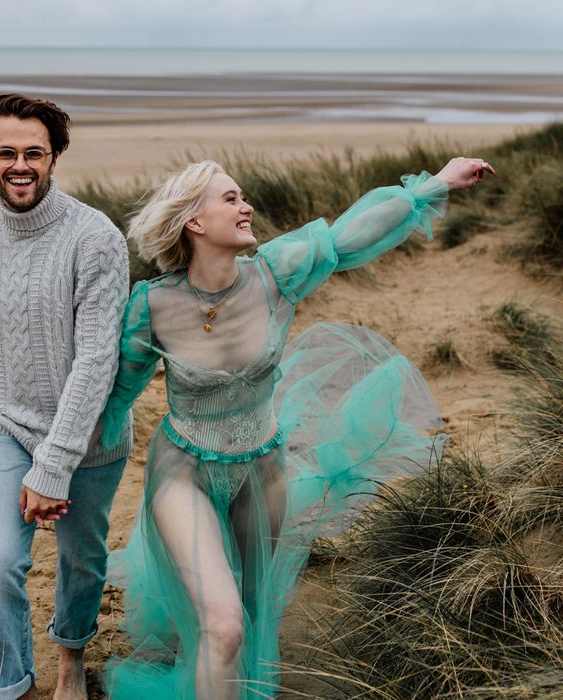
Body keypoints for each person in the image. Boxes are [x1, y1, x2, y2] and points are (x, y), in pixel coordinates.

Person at [98, 156, 494, 699]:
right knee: (225, 624)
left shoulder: (276, 273)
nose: (247, 206)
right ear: (193, 221)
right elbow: (116, 395)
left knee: (255, 612)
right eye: (231, 199)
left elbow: (348, 236)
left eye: (244, 197)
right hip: (182, 472)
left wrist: (437, 184)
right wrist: (66, 466)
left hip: (262, 470)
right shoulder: (153, 306)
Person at [0, 93, 131, 700]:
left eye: (33, 153)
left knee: (80, 564)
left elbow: (98, 360)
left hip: (88, 438)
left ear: (55, 156)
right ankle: (9, 685)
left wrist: (54, 464)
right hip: (4, 426)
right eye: (6, 153)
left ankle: (71, 656)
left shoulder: (95, 237)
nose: (20, 164)